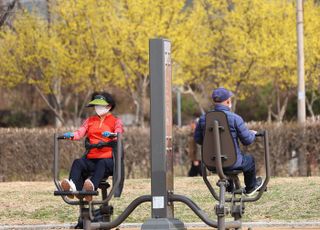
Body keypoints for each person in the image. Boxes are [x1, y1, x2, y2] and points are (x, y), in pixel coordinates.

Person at [194, 87, 263, 196]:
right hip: (233, 162)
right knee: (249, 160)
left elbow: (198, 139)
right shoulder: (235, 118)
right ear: (227, 101)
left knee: (228, 161)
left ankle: (229, 186)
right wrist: (252, 134)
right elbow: (247, 140)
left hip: (211, 163)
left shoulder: (203, 119)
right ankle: (251, 187)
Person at [60, 92, 124, 202]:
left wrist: (113, 135)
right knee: (78, 162)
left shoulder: (115, 121)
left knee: (102, 163)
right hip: (91, 158)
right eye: (96, 106)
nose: (97, 108)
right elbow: (79, 133)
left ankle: (90, 188)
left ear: (109, 106)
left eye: (100, 106)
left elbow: (119, 131)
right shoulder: (90, 120)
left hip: (108, 160)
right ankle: (73, 187)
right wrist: (71, 135)